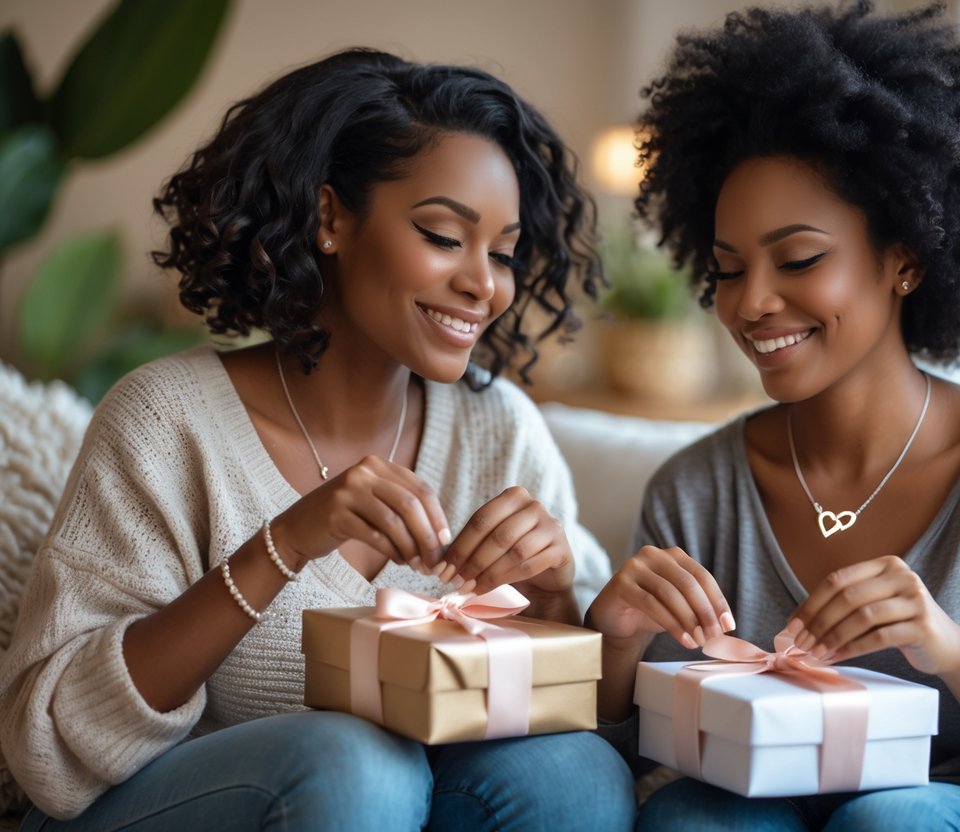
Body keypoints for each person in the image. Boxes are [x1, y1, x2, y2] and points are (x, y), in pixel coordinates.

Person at [0, 48, 634, 830]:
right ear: (330, 219)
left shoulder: (498, 429)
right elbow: (50, 749)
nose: (484, 284)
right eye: (443, 235)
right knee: (356, 761)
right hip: (166, 806)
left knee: (574, 772)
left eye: (502, 253)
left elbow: (594, 712)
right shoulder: (166, 420)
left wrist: (554, 594)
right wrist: (286, 542)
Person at [587, 4, 960, 831]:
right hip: (759, 807)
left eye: (800, 259)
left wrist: (951, 651)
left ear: (905, 259)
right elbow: (629, 765)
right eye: (728, 269)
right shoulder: (696, 491)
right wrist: (612, 644)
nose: (751, 303)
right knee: (689, 818)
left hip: (954, 817)